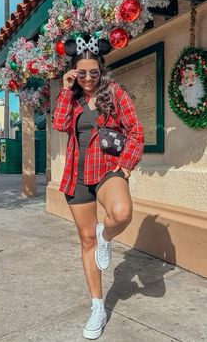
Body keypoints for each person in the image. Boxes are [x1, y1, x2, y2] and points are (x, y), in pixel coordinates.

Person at [52, 40, 144, 340]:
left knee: (122, 214)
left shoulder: (113, 93)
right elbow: (59, 124)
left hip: (107, 168)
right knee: (86, 241)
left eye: (93, 72)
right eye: (81, 73)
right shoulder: (74, 99)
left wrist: (126, 164)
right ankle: (97, 307)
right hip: (76, 177)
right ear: (73, 73)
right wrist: (66, 89)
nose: (88, 78)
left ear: (101, 71)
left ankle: (107, 235)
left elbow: (135, 130)